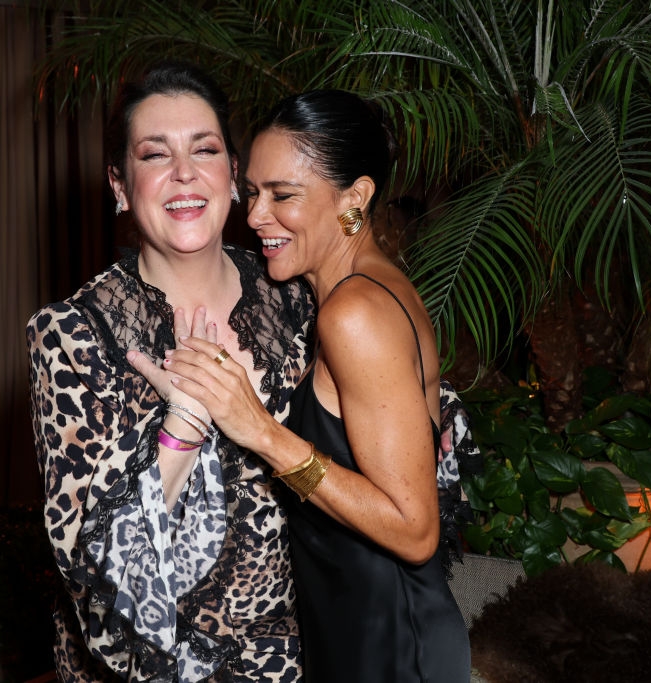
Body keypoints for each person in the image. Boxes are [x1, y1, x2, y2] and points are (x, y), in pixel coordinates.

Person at [141, 90, 472, 681]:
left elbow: (416, 531)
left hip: (390, 645)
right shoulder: (356, 291)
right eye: (253, 192)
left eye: (283, 195)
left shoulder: (354, 313)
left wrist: (262, 432)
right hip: (359, 633)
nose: (255, 216)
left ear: (355, 198)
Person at [27, 62, 313, 682]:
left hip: (301, 656)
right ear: (120, 185)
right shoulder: (73, 335)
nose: (184, 172)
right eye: (155, 154)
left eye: (204, 149)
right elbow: (91, 568)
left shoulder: (298, 299)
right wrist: (186, 419)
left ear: (233, 174)